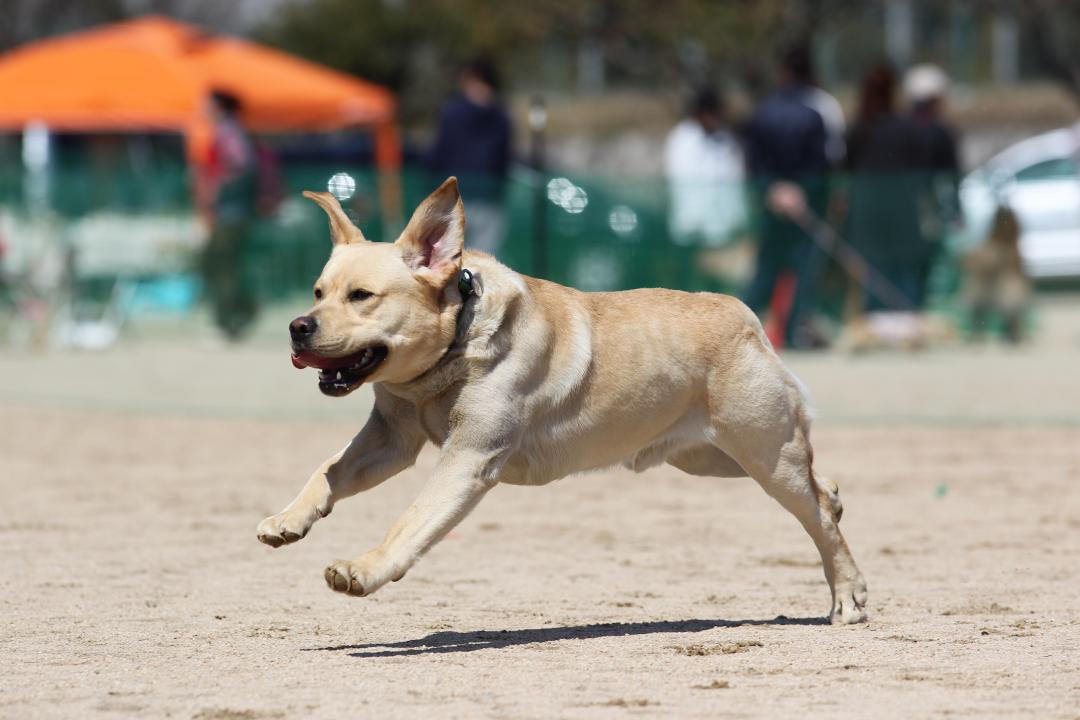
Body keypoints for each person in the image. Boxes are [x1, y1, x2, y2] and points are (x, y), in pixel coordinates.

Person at [741, 46, 832, 349]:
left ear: (782, 73)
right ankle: (793, 332)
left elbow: (752, 165)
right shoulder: (814, 116)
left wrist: (772, 189)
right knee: (802, 271)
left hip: (771, 204)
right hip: (805, 205)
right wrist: (800, 192)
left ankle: (743, 332)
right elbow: (821, 167)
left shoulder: (761, 113)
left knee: (766, 267)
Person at [845, 63, 927, 311]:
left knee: (872, 269)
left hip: (867, 209)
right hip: (902, 209)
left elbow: (845, 169)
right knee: (904, 267)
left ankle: (876, 318)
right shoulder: (906, 127)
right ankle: (907, 316)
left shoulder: (858, 128)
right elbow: (920, 169)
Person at [426, 57, 512, 256]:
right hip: (490, 197)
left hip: (453, 198)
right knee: (482, 265)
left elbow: (437, 154)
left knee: (446, 260)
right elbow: (504, 158)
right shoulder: (502, 117)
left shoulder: (452, 112)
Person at [198, 90, 259, 341]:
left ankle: (230, 319)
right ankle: (240, 311)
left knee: (218, 264)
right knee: (219, 264)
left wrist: (217, 187)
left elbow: (242, 165)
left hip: (232, 211)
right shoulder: (230, 130)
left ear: (219, 106)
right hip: (232, 211)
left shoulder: (229, 132)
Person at [904, 64, 961, 305]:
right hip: (931, 211)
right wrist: (957, 211)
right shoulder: (941, 132)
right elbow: (952, 175)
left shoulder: (903, 127)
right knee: (930, 266)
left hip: (905, 207)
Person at [663, 88, 745, 247]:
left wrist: (736, 217)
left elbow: (734, 179)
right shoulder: (681, 139)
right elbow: (680, 180)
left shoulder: (726, 139)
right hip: (691, 228)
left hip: (722, 228)